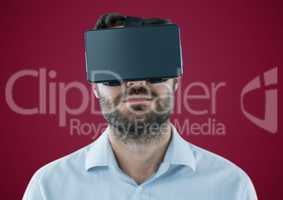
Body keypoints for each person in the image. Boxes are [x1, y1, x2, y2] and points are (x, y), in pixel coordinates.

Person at [23, 12, 258, 200]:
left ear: (176, 82)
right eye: (115, 71)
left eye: (154, 71)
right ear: (94, 87)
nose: (136, 84)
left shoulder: (231, 187)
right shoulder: (49, 188)